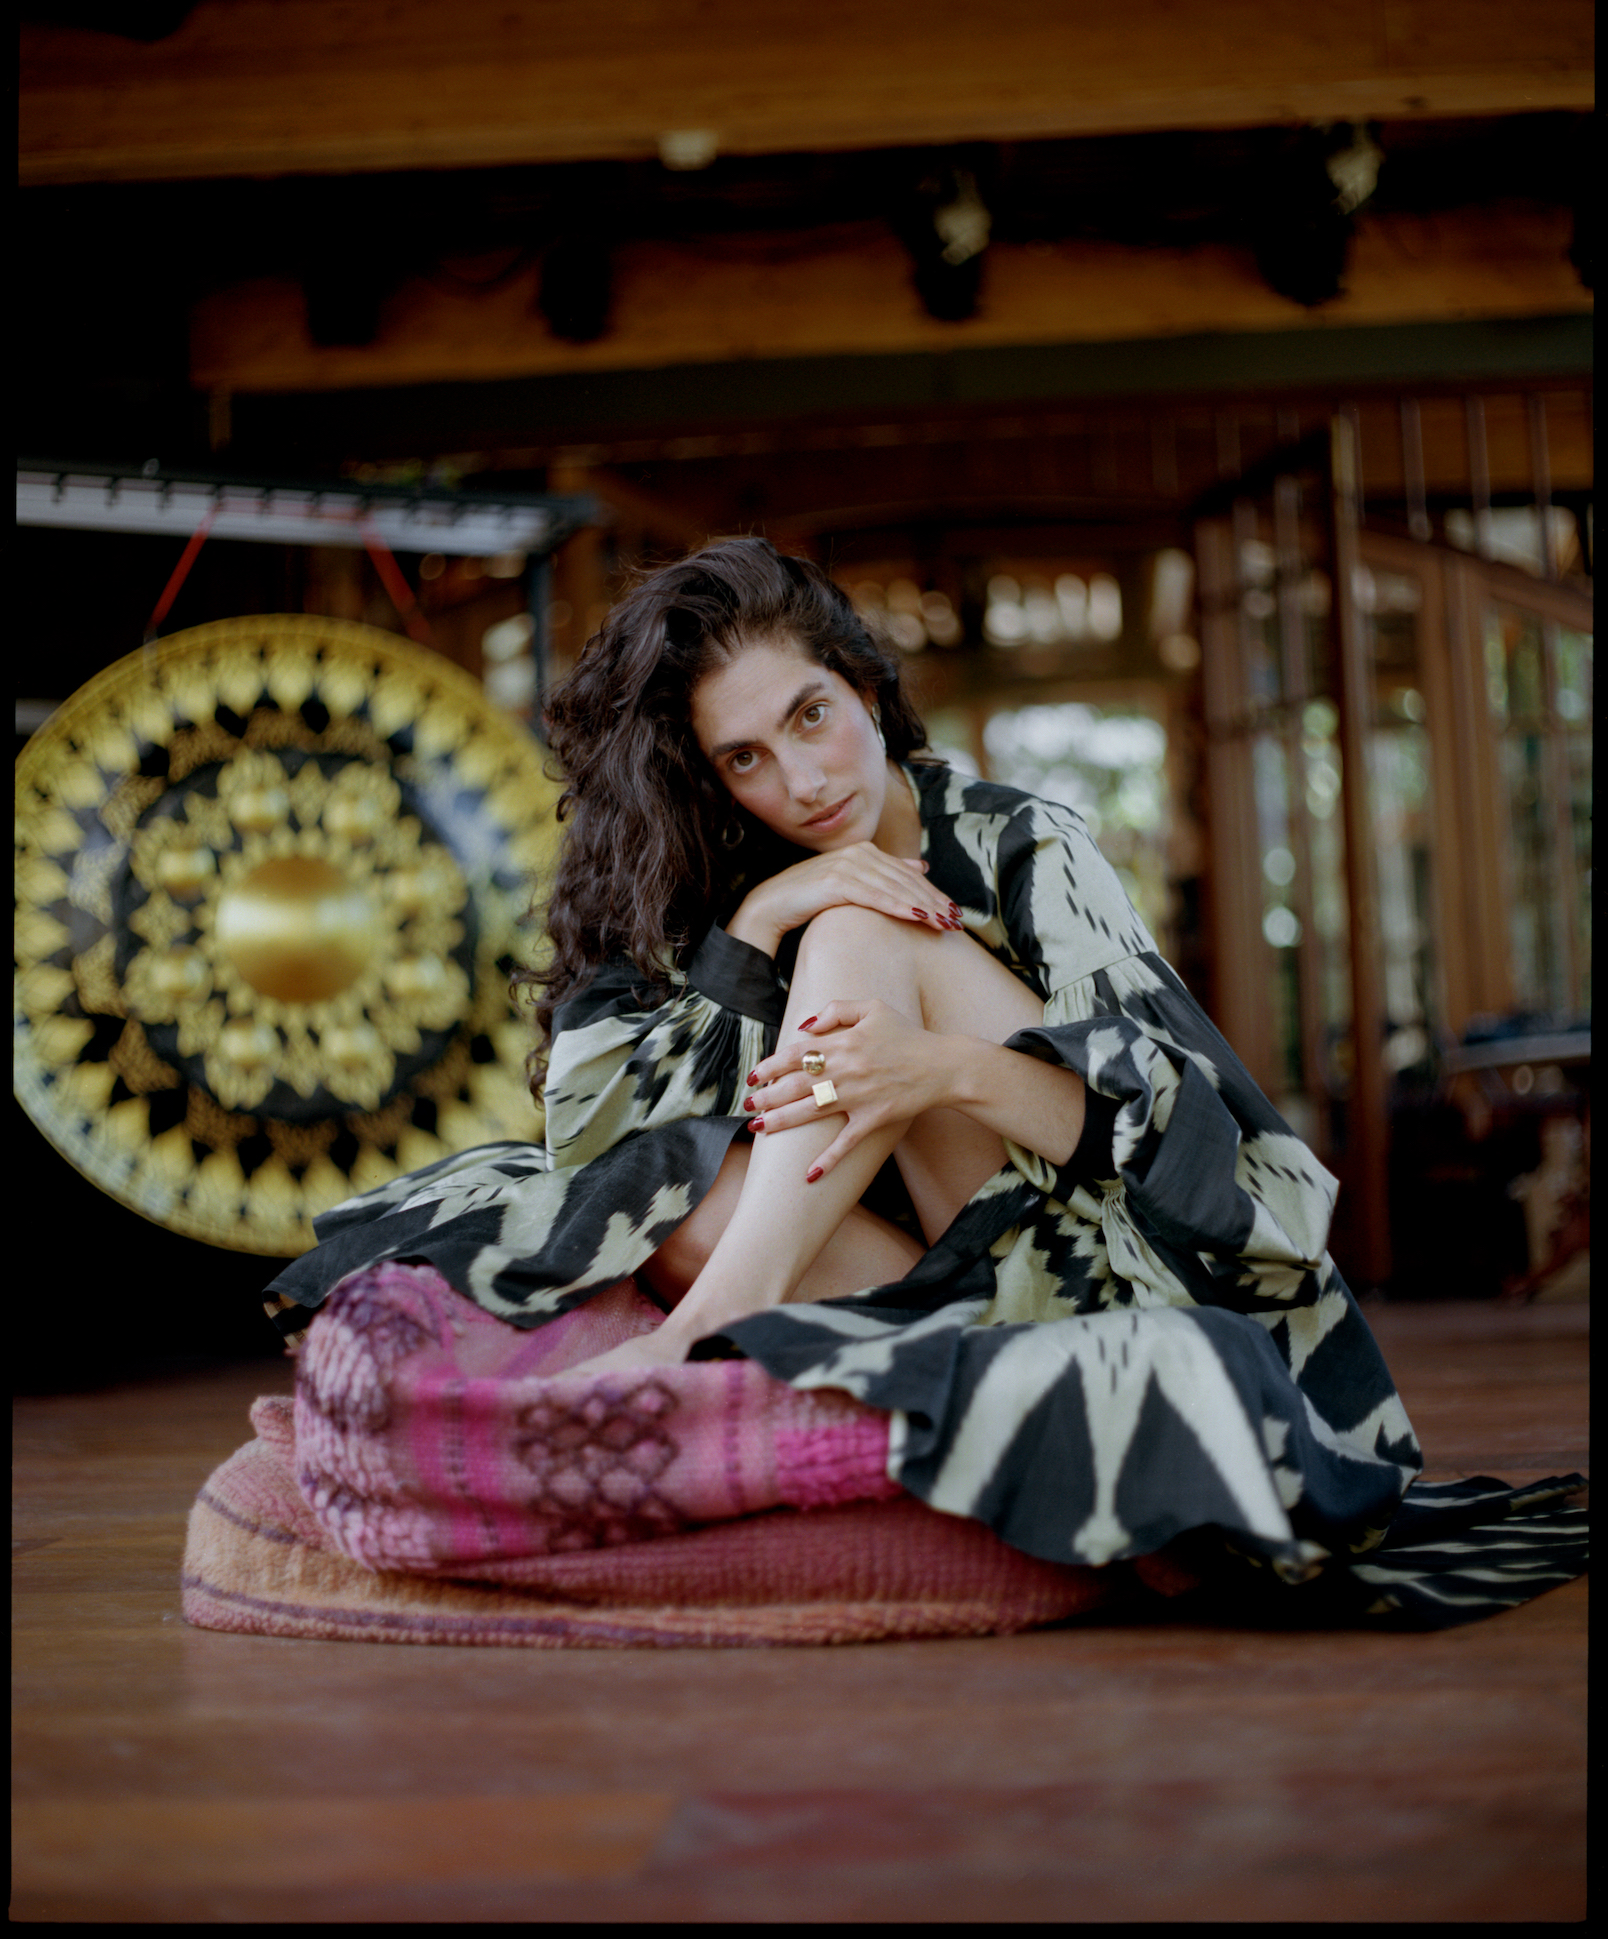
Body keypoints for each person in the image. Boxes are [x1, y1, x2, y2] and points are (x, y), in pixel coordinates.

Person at [265, 537, 1584, 1622]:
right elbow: (597, 1133)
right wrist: (758, 923)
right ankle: (815, 1358)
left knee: (869, 926)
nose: (801, 780)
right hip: (945, 1284)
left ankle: (700, 1339)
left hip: (1105, 1256)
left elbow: (1178, 1143)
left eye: (811, 717)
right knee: (667, 1188)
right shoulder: (752, 875)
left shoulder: (1024, 844)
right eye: (745, 759)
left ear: (863, 686)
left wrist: (936, 1070)